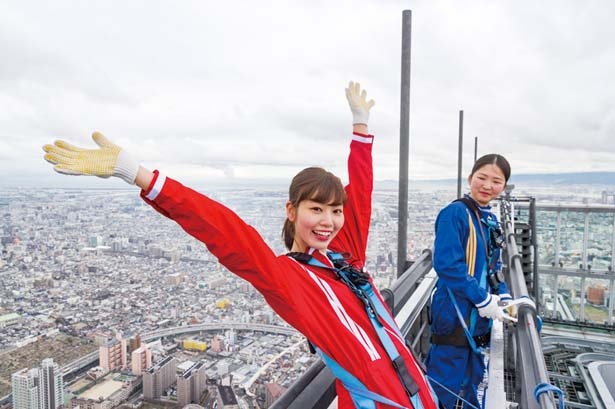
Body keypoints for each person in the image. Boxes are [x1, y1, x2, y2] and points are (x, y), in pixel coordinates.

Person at [43, 82, 438, 409]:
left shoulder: (344, 259)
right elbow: (225, 230)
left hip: (423, 396)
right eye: (316, 209)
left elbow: (361, 195)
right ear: (291, 210)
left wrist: (361, 127)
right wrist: (141, 175)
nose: (329, 221)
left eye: (335, 211)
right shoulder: (288, 280)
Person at [425, 154, 513, 409]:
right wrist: (483, 298)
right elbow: (447, 265)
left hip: (478, 315)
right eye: (482, 177)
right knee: (445, 383)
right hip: (454, 314)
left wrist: (503, 294)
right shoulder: (455, 214)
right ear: (470, 178)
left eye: (496, 181)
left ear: (503, 187)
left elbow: (494, 265)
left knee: (471, 380)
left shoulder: (488, 219)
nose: (487, 185)